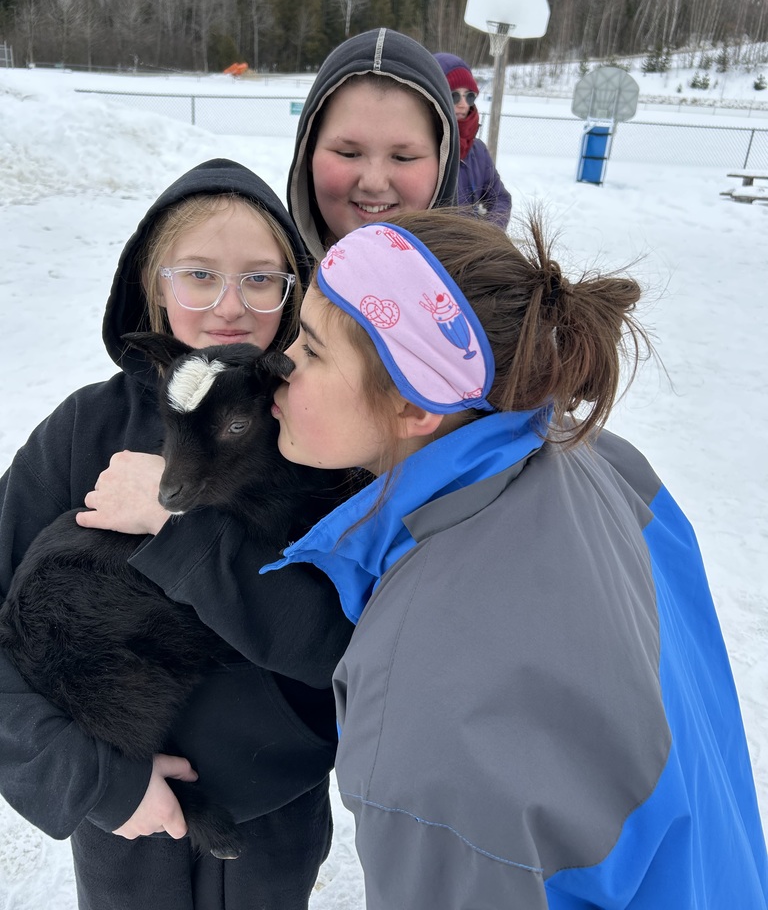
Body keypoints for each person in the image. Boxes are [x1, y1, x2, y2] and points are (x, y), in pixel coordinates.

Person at [265, 210, 768, 909]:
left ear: (417, 406)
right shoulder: (599, 464)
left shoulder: (426, 695)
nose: (278, 360)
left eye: (312, 349)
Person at [0, 158, 354, 910]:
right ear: (154, 285)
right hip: (122, 816)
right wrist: (92, 778)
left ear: (297, 293)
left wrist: (173, 528)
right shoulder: (82, 432)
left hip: (277, 809)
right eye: (198, 274)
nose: (230, 306)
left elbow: (341, 641)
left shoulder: (327, 441)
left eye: (261, 279)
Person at [287, 27, 460, 260]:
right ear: (309, 153)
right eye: (348, 153)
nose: (374, 183)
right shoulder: (260, 286)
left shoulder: (482, 295)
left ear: (443, 163)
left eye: (403, 158)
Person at [433, 51, 512, 229]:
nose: (463, 104)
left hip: (468, 250)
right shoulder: (419, 150)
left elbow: (500, 198)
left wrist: (489, 234)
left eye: (469, 96)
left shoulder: (477, 151)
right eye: (454, 95)